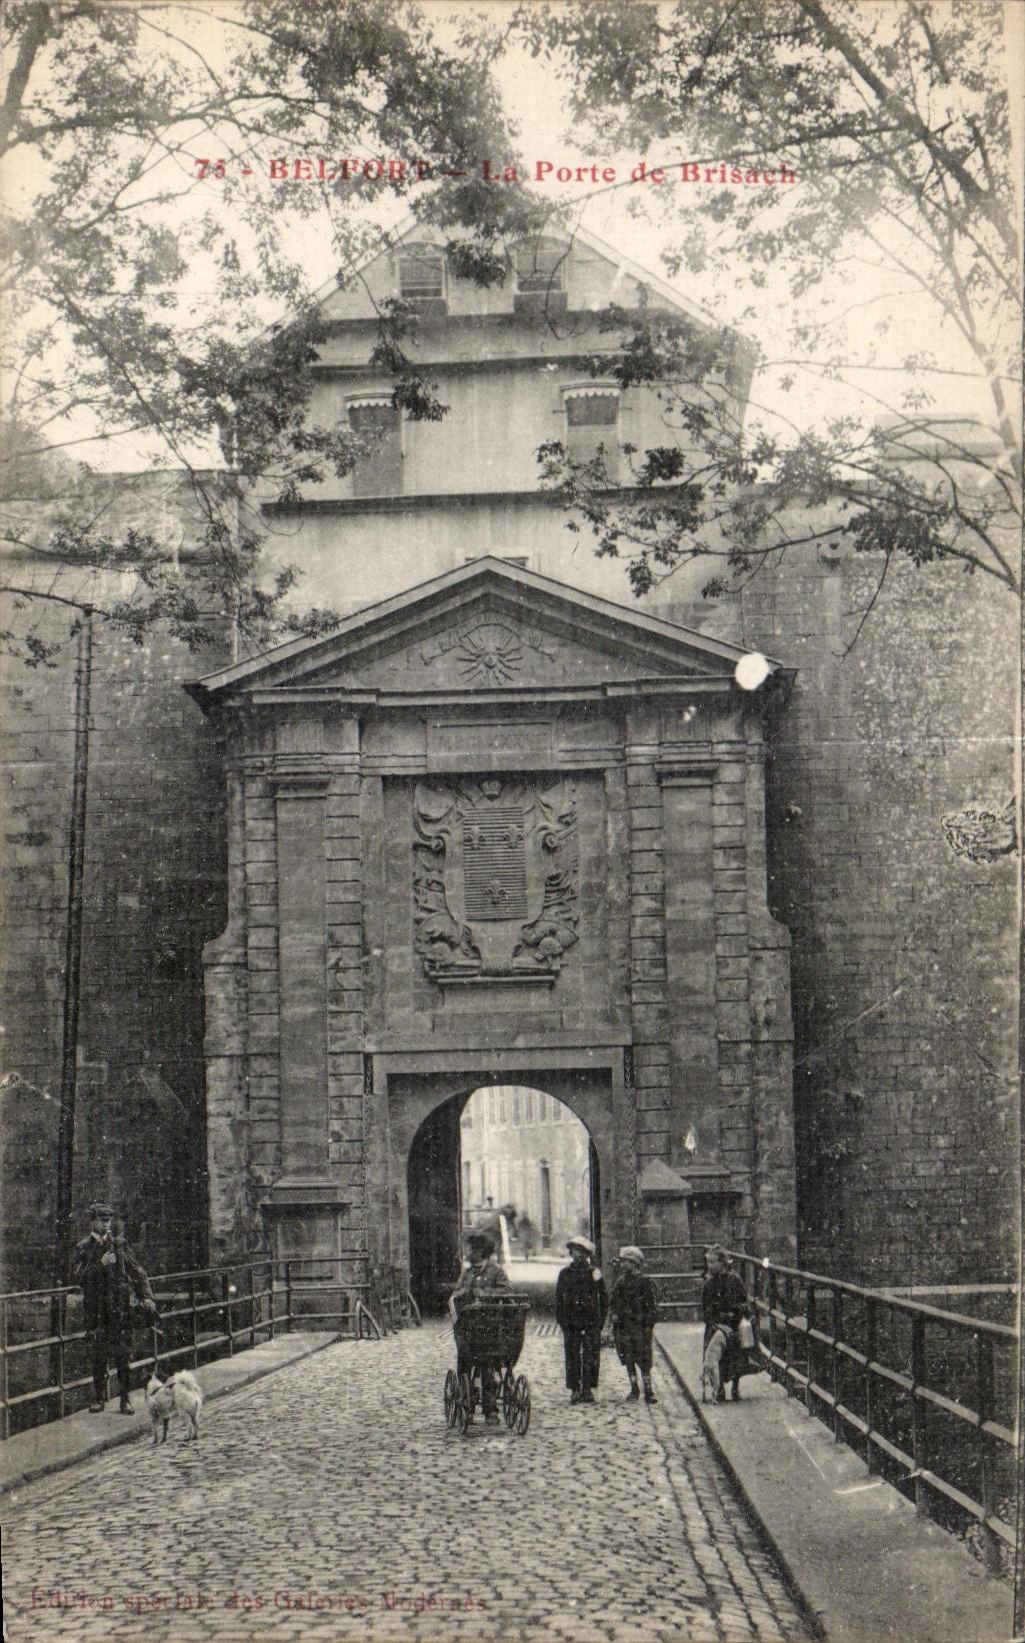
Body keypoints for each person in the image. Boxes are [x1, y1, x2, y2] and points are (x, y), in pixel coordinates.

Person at [73, 1201, 158, 1413]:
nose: (105, 1225)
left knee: (123, 1354)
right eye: (101, 1220)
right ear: (92, 1221)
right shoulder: (83, 1247)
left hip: (120, 1309)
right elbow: (76, 1278)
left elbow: (138, 1272)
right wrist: (98, 1264)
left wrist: (147, 1296)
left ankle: (125, 1399)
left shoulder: (119, 1244)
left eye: (108, 1221)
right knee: (99, 1355)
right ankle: (100, 1398)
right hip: (97, 1311)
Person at [450, 1230, 510, 1425]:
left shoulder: (496, 1271)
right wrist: (461, 1293)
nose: (466, 1252)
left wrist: (482, 1293)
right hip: (467, 1327)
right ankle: (466, 1405)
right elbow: (457, 1291)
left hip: (489, 1327)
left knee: (487, 1366)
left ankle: (490, 1409)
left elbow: (507, 1290)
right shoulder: (467, 1273)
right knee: (464, 1364)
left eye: (469, 1248)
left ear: (480, 1251)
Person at [554, 1234, 607, 1405]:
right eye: (575, 1251)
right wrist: (562, 1320)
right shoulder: (565, 1274)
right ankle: (575, 1389)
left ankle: (587, 1388)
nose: (578, 1255)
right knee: (572, 1354)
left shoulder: (594, 1273)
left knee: (591, 1354)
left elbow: (603, 1297)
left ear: (587, 1255)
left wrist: (601, 1320)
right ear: (570, 1253)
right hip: (571, 1321)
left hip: (590, 1320)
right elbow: (558, 1298)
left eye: (582, 1252)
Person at [608, 1246, 659, 1404]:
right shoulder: (620, 1282)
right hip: (624, 1327)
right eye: (622, 1262)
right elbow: (613, 1302)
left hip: (640, 1327)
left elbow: (652, 1306)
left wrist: (648, 1324)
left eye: (627, 1262)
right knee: (628, 1358)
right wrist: (615, 1316)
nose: (623, 1265)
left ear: (635, 1263)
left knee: (644, 1360)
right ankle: (634, 1388)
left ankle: (648, 1390)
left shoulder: (645, 1282)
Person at [701, 1244, 751, 1402]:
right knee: (714, 1353)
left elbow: (744, 1303)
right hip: (716, 1324)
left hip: (732, 1323)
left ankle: (735, 1386)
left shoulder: (735, 1280)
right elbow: (705, 1307)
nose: (710, 1266)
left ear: (722, 1263)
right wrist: (713, 1319)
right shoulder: (708, 1284)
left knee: (735, 1353)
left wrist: (735, 1312)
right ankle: (719, 1387)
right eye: (708, 1262)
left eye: (713, 1262)